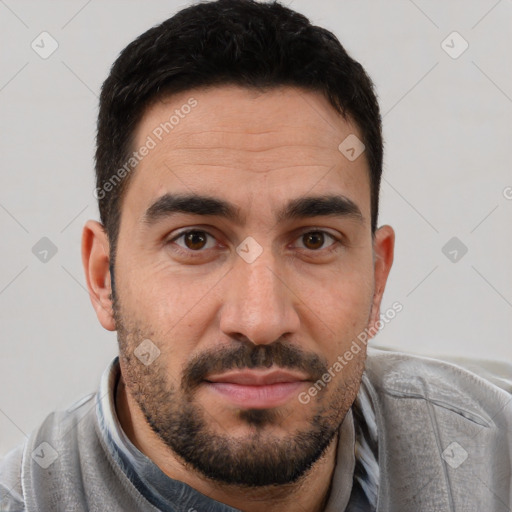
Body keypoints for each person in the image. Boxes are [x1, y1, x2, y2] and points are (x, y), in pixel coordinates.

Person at [1, 0, 511, 510]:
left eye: (314, 240)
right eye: (195, 240)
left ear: (377, 280)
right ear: (102, 278)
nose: (262, 320)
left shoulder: (494, 460)